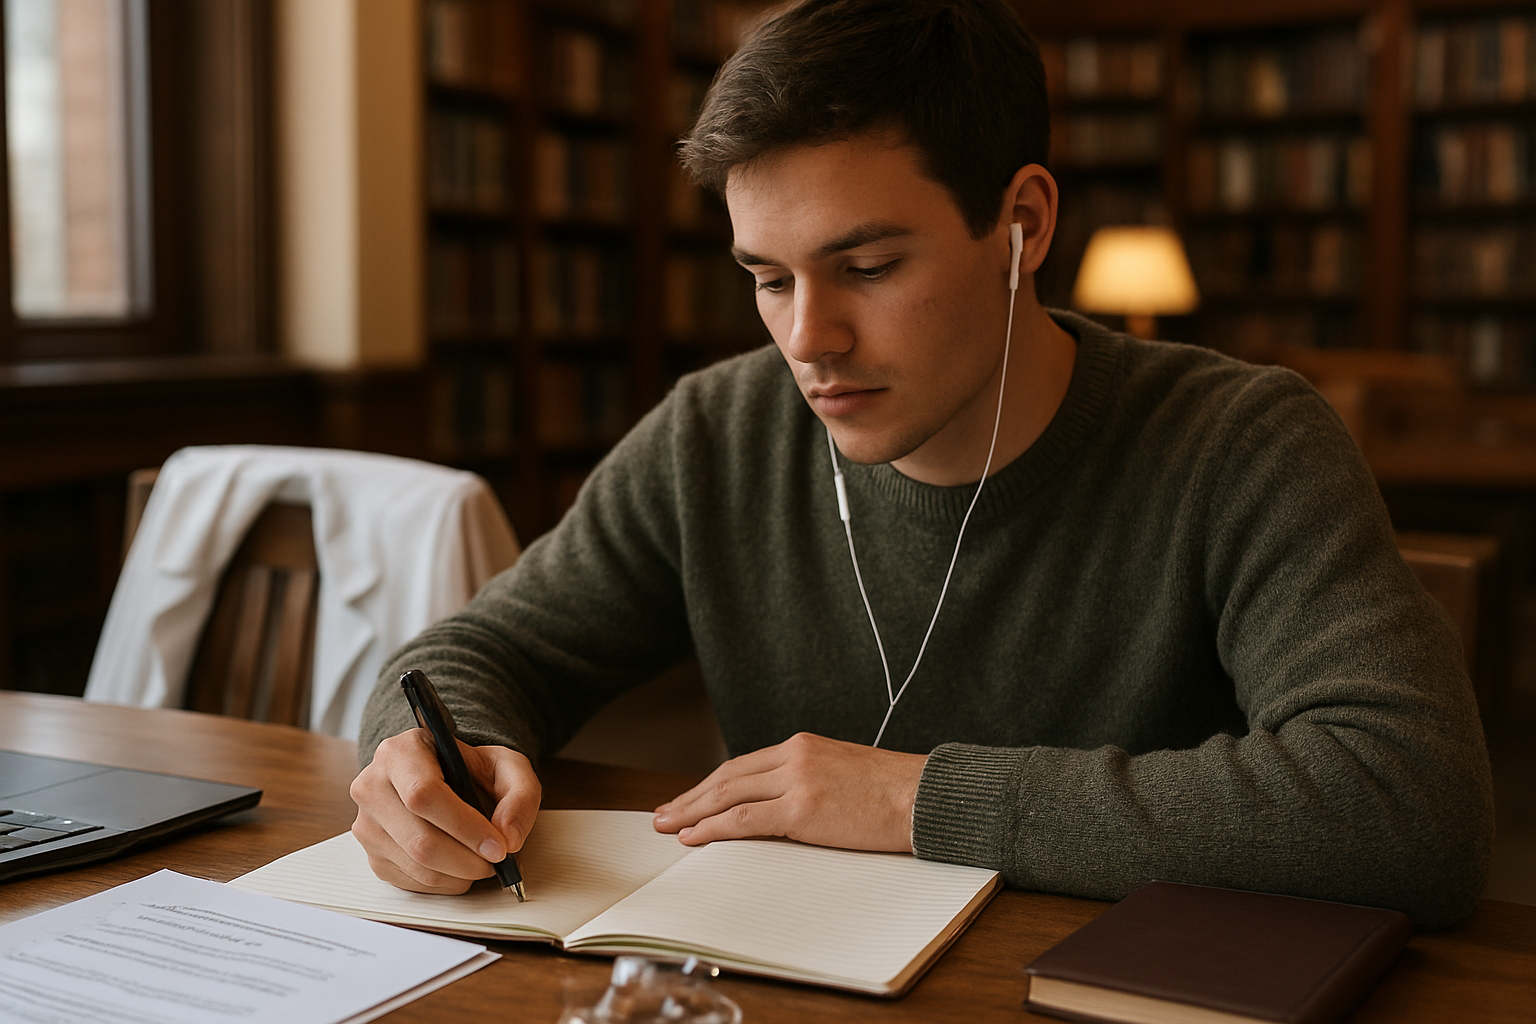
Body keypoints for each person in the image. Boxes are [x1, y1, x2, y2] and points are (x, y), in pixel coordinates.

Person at [351, 0, 1494, 927]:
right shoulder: (717, 431)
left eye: (870, 264)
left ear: (1024, 223)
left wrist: (914, 797)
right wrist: (425, 761)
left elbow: (1408, 802)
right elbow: (480, 652)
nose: (809, 339)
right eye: (769, 275)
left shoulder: (1241, 442)